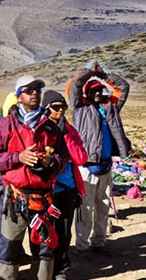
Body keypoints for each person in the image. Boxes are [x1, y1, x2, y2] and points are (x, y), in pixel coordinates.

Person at [0, 76, 69, 280]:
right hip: (16, 198)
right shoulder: (5, 126)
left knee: (44, 250)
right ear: (18, 96)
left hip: (44, 199)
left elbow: (64, 157)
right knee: (9, 249)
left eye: (37, 90)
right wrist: (18, 157)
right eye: (28, 90)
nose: (34, 94)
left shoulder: (50, 127)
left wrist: (52, 162)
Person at [67, 62, 130, 259]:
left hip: (105, 165)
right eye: (93, 91)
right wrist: (90, 73)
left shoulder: (110, 107)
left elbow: (124, 87)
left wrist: (104, 75)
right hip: (87, 166)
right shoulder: (79, 109)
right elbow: (76, 85)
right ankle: (82, 246)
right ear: (86, 93)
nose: (97, 93)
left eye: (99, 90)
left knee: (103, 206)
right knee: (85, 209)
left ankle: (99, 242)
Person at [42, 90, 88, 280]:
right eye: (55, 107)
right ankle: (45, 270)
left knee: (64, 231)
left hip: (68, 188)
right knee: (46, 232)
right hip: (47, 190)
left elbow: (81, 157)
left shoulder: (69, 129)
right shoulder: (40, 129)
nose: (60, 111)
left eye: (63, 107)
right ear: (46, 109)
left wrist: (64, 134)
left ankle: (61, 269)